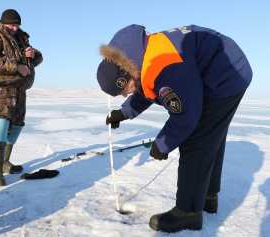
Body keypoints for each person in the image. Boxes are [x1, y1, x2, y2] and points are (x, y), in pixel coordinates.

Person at [96, 24, 252, 233]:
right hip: (218, 68)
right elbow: (145, 86)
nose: (125, 95)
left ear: (125, 76)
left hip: (226, 76)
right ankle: (207, 196)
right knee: (211, 135)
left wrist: (163, 144)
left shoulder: (165, 66)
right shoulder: (139, 57)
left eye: (122, 91)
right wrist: (124, 113)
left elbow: (185, 115)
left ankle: (188, 212)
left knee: (197, 140)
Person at [0, 9, 43, 186]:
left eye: (17, 25)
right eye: (11, 25)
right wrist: (16, 67)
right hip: (0, 89)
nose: (14, 28)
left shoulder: (21, 37)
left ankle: (5, 163)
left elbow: (38, 57)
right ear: (3, 22)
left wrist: (31, 55)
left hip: (20, 90)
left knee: (16, 126)